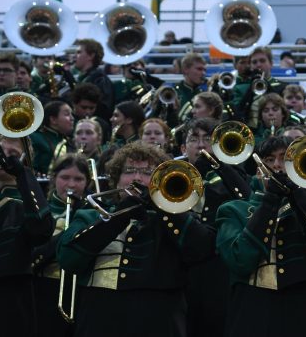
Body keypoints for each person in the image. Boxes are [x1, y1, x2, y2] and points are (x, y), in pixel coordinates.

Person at [57, 142, 216, 337]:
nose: (137, 178)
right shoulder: (90, 215)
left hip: (158, 319)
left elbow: (202, 248)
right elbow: (68, 259)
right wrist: (121, 214)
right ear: (116, 180)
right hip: (98, 317)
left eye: (148, 173)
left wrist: (162, 206)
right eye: (129, 171)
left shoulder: (173, 220)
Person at [216, 135, 306, 337]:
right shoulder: (233, 210)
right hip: (251, 309)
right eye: (270, 159)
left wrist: (300, 198)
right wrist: (270, 200)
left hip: (302, 312)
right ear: (258, 166)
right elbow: (239, 260)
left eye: (284, 159)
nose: (278, 166)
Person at [181, 117, 252, 337]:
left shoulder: (230, 173)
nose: (201, 145)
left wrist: (218, 166)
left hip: (217, 265)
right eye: (194, 139)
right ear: (183, 148)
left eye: (207, 139)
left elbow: (246, 198)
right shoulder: (173, 174)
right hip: (183, 263)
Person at [0, 135, 54, 337]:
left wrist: (22, 174)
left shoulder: (27, 198)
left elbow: (42, 228)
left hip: (10, 298)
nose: (3, 158)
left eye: (11, 154)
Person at [33, 154, 90, 337]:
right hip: (43, 290)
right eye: (65, 178)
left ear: (87, 182)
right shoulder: (40, 213)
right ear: (53, 179)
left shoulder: (92, 214)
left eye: (78, 179)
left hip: (82, 293)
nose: (71, 185)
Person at [231, 47, 287, 128]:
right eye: (254, 62)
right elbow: (238, 114)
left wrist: (265, 82)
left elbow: (284, 111)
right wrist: (251, 88)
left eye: (262, 61)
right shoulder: (240, 88)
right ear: (250, 66)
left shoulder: (282, 86)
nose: (258, 65)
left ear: (271, 64)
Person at [30, 100, 75, 176]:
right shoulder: (35, 138)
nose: (72, 118)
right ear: (53, 120)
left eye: (72, 114)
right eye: (67, 114)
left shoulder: (70, 142)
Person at [74, 39, 114, 121]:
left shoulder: (100, 80)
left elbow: (104, 110)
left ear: (91, 55)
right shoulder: (85, 77)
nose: (75, 56)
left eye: (79, 52)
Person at [174, 53, 208, 117]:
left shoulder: (204, 93)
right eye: (199, 69)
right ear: (185, 69)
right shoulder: (174, 92)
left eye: (205, 70)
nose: (203, 73)